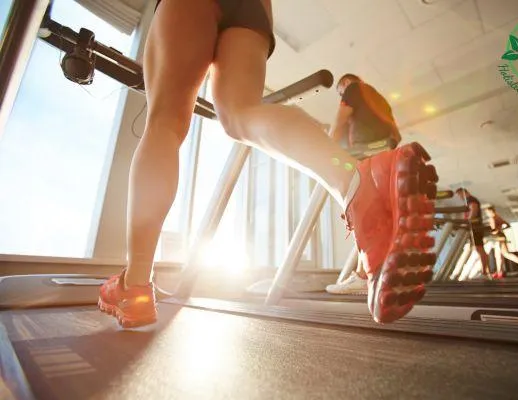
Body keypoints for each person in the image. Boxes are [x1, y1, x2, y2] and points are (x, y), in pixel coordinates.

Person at [98, 0, 434, 327]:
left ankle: (135, 284)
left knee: (164, 124)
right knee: (241, 114)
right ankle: (355, 186)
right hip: (256, 8)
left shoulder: (354, 93)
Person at [326, 74, 401, 296]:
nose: (341, 93)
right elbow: (394, 133)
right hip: (387, 153)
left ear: (345, 83)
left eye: (340, 89)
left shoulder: (353, 89)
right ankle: (376, 271)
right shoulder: (378, 97)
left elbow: (340, 121)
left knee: (362, 211)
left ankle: (362, 275)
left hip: (367, 151)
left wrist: (327, 151)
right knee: (377, 214)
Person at [485, 206, 518, 277]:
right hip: (501, 235)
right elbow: (508, 225)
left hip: (497, 237)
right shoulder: (498, 217)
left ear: (490, 211)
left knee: (500, 255)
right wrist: (501, 229)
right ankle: (500, 271)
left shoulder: (492, 218)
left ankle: (500, 272)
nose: (486, 214)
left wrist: (491, 233)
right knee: (504, 254)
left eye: (487, 212)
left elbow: (493, 230)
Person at [455, 188, 490, 278]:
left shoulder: (471, 199)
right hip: (474, 227)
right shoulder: (469, 200)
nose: (460, 197)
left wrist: (468, 222)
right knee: (478, 249)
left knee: (479, 249)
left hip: (475, 227)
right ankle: (485, 272)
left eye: (460, 195)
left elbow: (473, 210)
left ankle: (484, 272)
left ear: (464, 193)